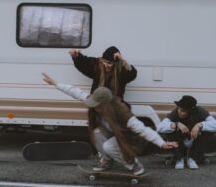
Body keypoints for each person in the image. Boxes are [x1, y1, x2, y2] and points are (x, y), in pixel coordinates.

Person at [42, 73, 178, 175]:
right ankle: (107, 161)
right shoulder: (95, 101)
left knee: (108, 146)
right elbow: (76, 92)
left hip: (127, 138)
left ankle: (133, 164)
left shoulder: (122, 113)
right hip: (113, 133)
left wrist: (161, 143)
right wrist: (57, 84)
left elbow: (143, 129)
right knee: (96, 132)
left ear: (106, 104)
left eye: (97, 105)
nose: (94, 107)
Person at [156, 95, 216, 170]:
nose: (179, 111)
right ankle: (179, 159)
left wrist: (200, 125)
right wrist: (175, 125)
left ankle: (192, 159)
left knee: (208, 131)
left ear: (191, 111)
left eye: (183, 110)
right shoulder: (175, 112)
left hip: (195, 139)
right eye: (179, 109)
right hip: (180, 140)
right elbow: (159, 128)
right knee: (169, 130)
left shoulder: (200, 111)